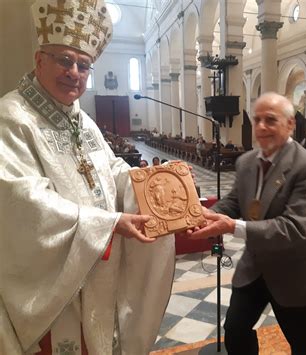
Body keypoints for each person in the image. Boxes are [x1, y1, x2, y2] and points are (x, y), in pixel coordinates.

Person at [0, 1, 175, 354]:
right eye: (64, 60)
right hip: (56, 282)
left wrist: (154, 187)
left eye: (84, 65)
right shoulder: (12, 118)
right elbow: (22, 202)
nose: (74, 73)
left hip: (98, 271)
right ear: (39, 60)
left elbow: (111, 171)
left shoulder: (82, 120)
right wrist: (108, 225)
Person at [185, 92, 306, 354]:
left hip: (296, 272)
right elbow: (234, 202)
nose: (262, 127)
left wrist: (231, 227)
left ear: (290, 124)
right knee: (235, 331)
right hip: (256, 268)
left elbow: (294, 228)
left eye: (271, 120)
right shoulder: (247, 162)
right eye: (257, 120)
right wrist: (203, 216)